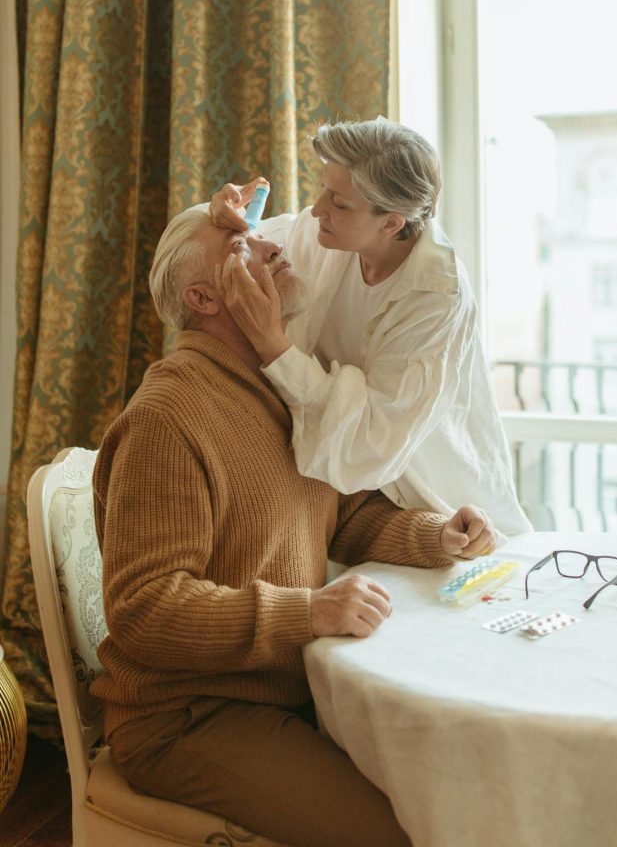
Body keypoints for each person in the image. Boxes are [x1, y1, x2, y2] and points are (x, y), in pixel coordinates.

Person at [92, 202, 497, 847]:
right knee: (395, 834)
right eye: (241, 247)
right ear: (202, 297)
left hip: (292, 689)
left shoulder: (279, 388)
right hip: (189, 717)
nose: (275, 248)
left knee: (460, 784)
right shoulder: (168, 417)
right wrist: (309, 612)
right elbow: (144, 610)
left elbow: (339, 515)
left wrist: (435, 535)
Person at [211, 116, 532, 534]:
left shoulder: (434, 298)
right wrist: (218, 213)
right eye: (326, 188)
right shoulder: (326, 234)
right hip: (347, 508)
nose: (319, 208)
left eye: (339, 203)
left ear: (391, 223)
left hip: (439, 508)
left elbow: (367, 446)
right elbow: (241, 244)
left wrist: (274, 345)